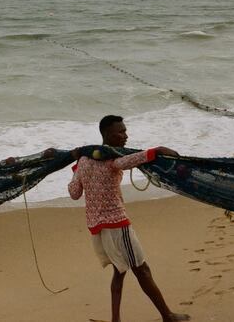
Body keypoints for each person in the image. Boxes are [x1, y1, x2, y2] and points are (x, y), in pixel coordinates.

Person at [68, 115, 190, 322]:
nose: (126, 136)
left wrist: (76, 171)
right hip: (117, 224)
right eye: (121, 132)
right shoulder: (111, 159)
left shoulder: (84, 160)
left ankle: (117, 320)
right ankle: (167, 316)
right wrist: (158, 150)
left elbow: (74, 193)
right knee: (142, 270)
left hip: (98, 227)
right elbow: (130, 160)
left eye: (125, 131)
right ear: (107, 134)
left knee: (119, 271)